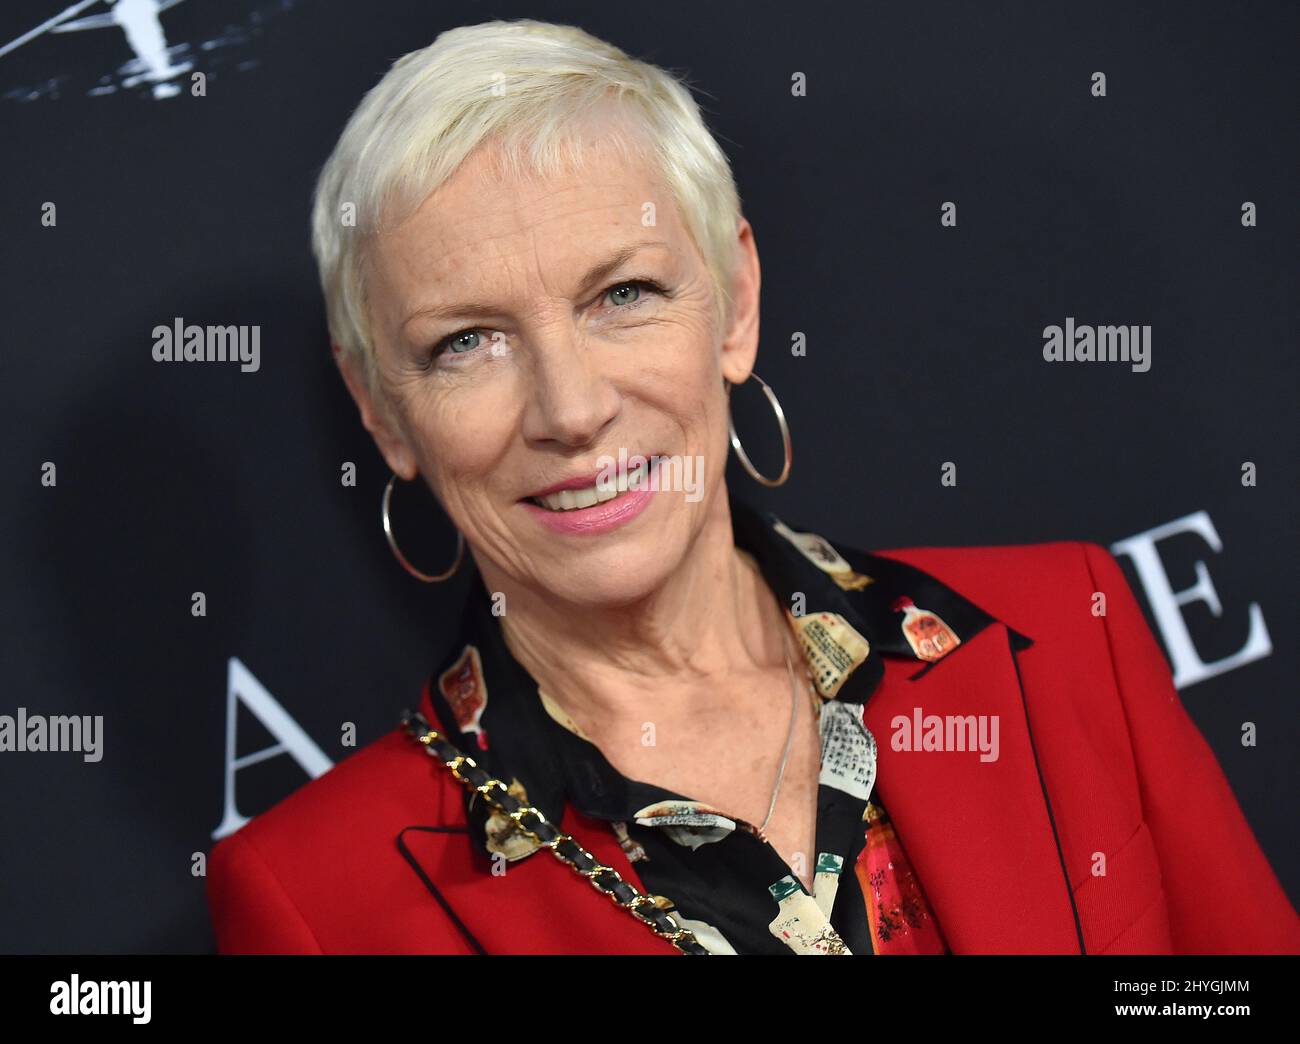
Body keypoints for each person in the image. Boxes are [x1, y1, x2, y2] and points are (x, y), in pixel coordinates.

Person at [205, 18, 1300, 955]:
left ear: (733, 305)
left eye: (621, 294)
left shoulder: (1063, 634)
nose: (570, 408)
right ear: (382, 409)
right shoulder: (315, 901)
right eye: (467, 342)